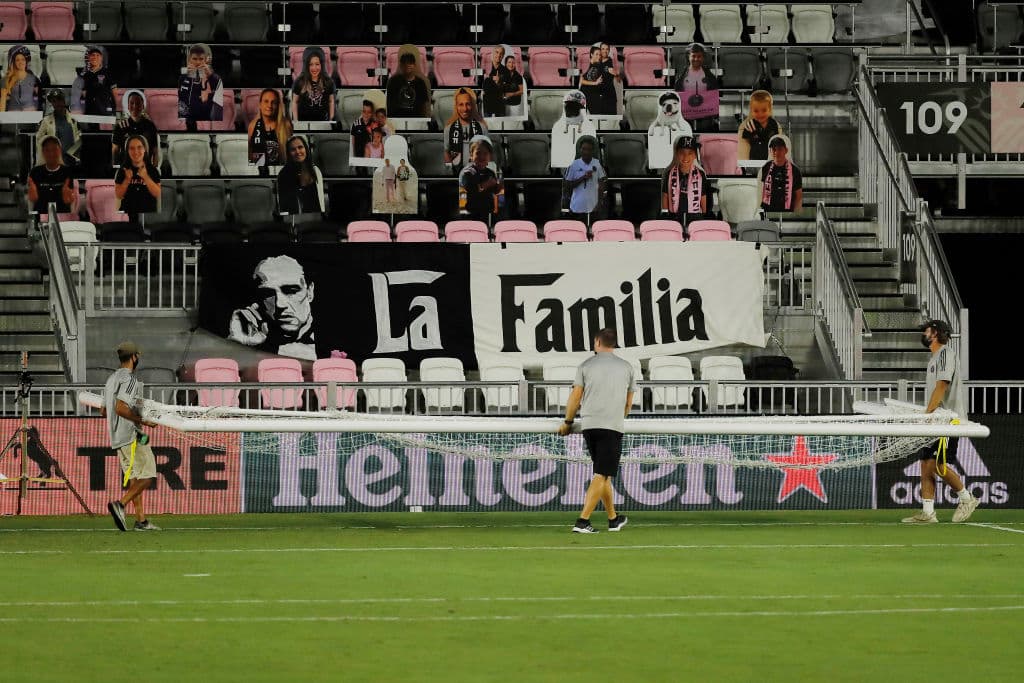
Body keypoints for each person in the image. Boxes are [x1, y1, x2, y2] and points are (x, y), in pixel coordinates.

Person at [557, 328, 636, 534]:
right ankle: (583, 521)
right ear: (614, 344)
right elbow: (628, 403)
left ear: (597, 342)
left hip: (590, 426)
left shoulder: (586, 365)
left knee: (604, 474)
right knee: (602, 473)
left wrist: (568, 421)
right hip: (612, 426)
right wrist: (619, 416)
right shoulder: (627, 367)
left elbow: (575, 397)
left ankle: (613, 518)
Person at [902, 320, 979, 524]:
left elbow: (942, 386)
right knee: (926, 464)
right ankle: (928, 513)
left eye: (926, 330)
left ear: (935, 333)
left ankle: (967, 498)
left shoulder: (945, 354)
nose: (923, 334)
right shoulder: (935, 358)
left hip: (948, 420)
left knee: (938, 464)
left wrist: (928, 414)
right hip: (937, 419)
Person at [100, 341, 160, 532]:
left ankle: (141, 520)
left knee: (135, 477)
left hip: (117, 437)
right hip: (130, 434)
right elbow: (120, 408)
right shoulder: (131, 380)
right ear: (134, 357)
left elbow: (104, 411)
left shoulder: (110, 379)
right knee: (149, 475)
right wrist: (142, 420)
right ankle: (121, 504)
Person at [228, 255, 316, 360]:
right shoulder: (254, 338)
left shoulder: (333, 339)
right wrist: (237, 343)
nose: (279, 304)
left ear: (310, 291)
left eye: (291, 291)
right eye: (268, 294)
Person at [661, 136, 711, 229]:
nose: (685, 157)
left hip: (694, 216)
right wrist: (665, 213)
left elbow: (703, 196)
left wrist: (704, 215)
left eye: (690, 153)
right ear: (676, 153)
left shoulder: (700, 175)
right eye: (682, 153)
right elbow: (665, 195)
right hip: (674, 216)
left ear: (695, 155)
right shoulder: (669, 173)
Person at [672, 43, 720, 132]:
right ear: (688, 57)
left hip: (705, 114)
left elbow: (714, 95)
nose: (696, 59)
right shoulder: (680, 75)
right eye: (693, 56)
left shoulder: (710, 76)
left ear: (703, 58)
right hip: (686, 114)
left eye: (699, 56)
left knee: (705, 131)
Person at [458, 135, 501, 222]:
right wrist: (486, 184)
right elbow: (471, 190)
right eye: (478, 153)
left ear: (490, 157)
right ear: (471, 155)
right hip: (470, 212)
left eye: (485, 153)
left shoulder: (490, 173)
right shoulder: (467, 173)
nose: (481, 156)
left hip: (487, 211)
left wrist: (497, 186)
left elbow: (495, 191)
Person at [114, 135, 161, 216]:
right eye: (131, 148)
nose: (136, 152)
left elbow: (158, 194)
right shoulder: (122, 170)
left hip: (148, 213)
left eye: (139, 147)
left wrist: (146, 177)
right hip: (127, 213)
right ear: (127, 151)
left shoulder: (153, 170)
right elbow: (118, 195)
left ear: (145, 149)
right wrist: (127, 180)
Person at [27, 136, 75, 214]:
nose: (51, 153)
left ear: (60, 150)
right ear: (42, 152)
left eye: (54, 149)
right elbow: (31, 200)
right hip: (41, 215)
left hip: (63, 216)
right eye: (47, 150)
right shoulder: (35, 172)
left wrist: (71, 203)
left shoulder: (68, 172)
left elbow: (73, 200)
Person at [562, 136, 606, 220]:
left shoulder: (597, 164)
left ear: (593, 151)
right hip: (576, 208)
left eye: (589, 149)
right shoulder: (573, 165)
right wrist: (583, 178)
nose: (586, 152)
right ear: (580, 150)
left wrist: (600, 203)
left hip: (594, 208)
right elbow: (567, 186)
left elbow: (602, 186)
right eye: (584, 149)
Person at [277, 135, 324, 215]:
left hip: (315, 219)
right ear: (288, 153)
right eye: (293, 149)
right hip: (294, 219)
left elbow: (321, 201)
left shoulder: (316, 170)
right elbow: (284, 206)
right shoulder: (283, 174)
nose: (298, 152)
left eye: (300, 147)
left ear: (306, 148)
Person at [112, 89, 159, 167]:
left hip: (145, 170)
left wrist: (153, 170)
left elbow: (155, 151)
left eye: (138, 103)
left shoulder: (150, 126)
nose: (134, 106)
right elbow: (115, 150)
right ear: (128, 106)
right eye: (132, 103)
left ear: (143, 106)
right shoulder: (120, 126)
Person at [178, 43, 224, 122]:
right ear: (189, 59)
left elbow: (218, 88)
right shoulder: (182, 77)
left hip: (206, 118)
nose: (198, 62)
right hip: (186, 118)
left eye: (201, 59)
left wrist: (209, 75)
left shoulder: (213, 77)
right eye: (195, 59)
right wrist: (186, 75)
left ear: (205, 60)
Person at [444, 87, 487, 171]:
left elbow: (487, 153)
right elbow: (446, 152)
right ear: (456, 106)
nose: (465, 109)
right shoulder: (449, 128)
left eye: (468, 104)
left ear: (473, 105)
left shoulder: (482, 127)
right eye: (461, 104)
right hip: (456, 173)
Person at [36, 89, 81, 166]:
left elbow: (79, 138)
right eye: (54, 101)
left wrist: (76, 156)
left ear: (64, 101)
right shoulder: (46, 120)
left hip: (71, 161)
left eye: (59, 100)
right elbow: (38, 139)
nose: (57, 103)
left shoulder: (74, 118)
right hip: (54, 161)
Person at [759, 134, 803, 213]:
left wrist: (795, 214)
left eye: (779, 149)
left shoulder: (795, 171)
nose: (776, 152)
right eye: (774, 149)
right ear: (770, 151)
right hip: (768, 211)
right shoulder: (766, 167)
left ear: (786, 150)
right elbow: (763, 190)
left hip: (787, 212)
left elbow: (798, 196)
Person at [248, 88, 292, 167]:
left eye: (273, 102)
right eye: (266, 101)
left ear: (278, 105)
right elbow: (252, 158)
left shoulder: (286, 125)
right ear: (260, 104)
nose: (269, 105)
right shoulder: (253, 126)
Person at [290, 46, 335, 122]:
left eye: (317, 64)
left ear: (321, 65)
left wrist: (331, 119)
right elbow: (295, 102)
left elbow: (331, 101)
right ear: (307, 66)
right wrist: (296, 121)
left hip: (323, 122)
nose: (314, 68)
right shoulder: (300, 82)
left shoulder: (328, 82)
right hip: (303, 122)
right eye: (311, 64)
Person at [70, 44, 116, 116]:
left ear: (101, 58)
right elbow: (80, 95)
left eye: (98, 55)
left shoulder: (108, 73)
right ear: (89, 58)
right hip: (89, 111)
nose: (95, 57)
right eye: (93, 55)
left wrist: (116, 108)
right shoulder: (84, 75)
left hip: (105, 111)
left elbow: (114, 91)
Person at [737, 90, 783, 161]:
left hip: (770, 159)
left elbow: (777, 143)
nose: (760, 114)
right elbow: (743, 146)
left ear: (770, 110)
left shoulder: (774, 124)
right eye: (756, 111)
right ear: (751, 111)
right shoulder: (749, 125)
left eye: (764, 110)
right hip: (753, 160)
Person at [386, 51, 431, 118]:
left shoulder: (421, 83)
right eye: (404, 63)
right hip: (397, 119)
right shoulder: (393, 82)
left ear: (415, 65)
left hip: (416, 119)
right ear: (401, 65)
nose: (407, 65)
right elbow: (389, 104)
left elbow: (424, 105)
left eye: (410, 62)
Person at [0, 45, 40, 112]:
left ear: (26, 61)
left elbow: (38, 100)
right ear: (13, 62)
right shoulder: (5, 80)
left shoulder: (34, 79)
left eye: (23, 59)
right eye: (17, 60)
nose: (20, 62)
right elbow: (2, 102)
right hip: (12, 114)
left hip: (31, 114)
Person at [579, 46, 608, 116]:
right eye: (597, 54)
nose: (599, 56)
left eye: (600, 55)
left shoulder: (601, 65)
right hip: (584, 93)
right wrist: (595, 83)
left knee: (597, 117)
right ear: (591, 54)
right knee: (581, 117)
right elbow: (581, 80)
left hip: (595, 94)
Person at [481, 45, 508, 117]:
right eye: (497, 52)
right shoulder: (484, 67)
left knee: (501, 124)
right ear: (493, 53)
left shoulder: (505, 70)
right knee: (487, 124)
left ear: (503, 56)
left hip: (500, 103)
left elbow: (506, 88)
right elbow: (481, 84)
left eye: (501, 53)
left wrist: (499, 83)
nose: (499, 55)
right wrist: (491, 78)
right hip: (487, 102)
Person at [598, 42, 620, 115]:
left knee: (611, 119)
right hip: (598, 95)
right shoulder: (595, 62)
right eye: (603, 49)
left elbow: (619, 81)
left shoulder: (613, 62)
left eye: (607, 49)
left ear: (609, 50)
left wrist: (616, 74)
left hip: (610, 94)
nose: (605, 51)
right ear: (600, 50)